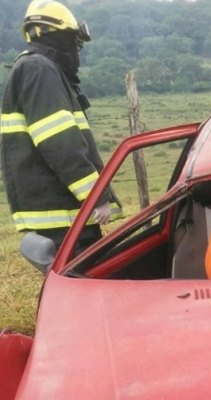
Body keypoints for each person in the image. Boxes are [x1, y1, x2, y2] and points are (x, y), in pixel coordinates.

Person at [0, 0, 122, 252]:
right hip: (62, 218)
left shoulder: (41, 69)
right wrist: (95, 197)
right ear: (58, 36)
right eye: (73, 41)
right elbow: (60, 143)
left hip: (64, 214)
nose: (76, 50)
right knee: (82, 286)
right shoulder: (39, 69)